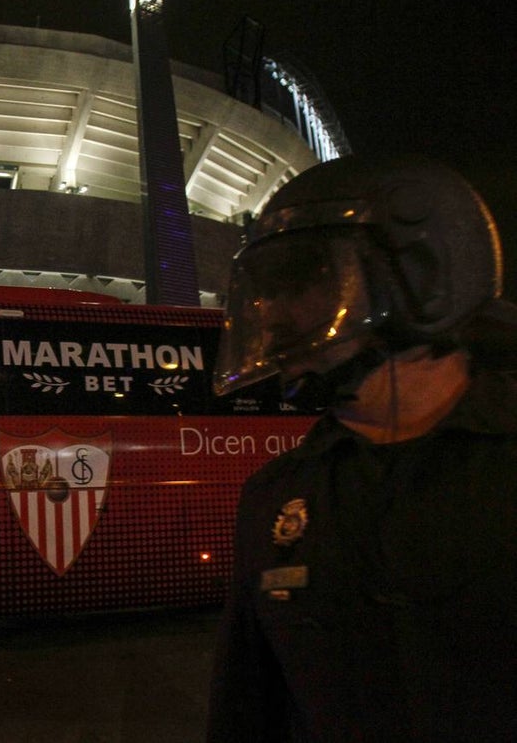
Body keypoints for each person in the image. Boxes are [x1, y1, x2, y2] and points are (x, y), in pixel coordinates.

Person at [206, 154, 517, 742]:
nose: (269, 316)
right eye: (264, 292)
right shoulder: (276, 497)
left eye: (302, 281)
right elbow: (247, 709)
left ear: (423, 278)